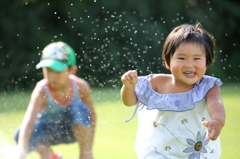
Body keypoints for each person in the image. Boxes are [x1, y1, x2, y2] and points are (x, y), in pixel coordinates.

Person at [120, 23, 225, 159]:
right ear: (167, 61)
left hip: (196, 152)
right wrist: (128, 87)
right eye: (181, 58)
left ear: (207, 62)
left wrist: (217, 121)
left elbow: (216, 104)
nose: (189, 64)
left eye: (197, 58)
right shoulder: (155, 83)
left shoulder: (208, 87)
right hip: (157, 151)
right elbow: (129, 102)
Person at [14, 41, 96, 159]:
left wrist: (88, 149)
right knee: (20, 134)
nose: (52, 76)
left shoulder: (81, 87)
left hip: (72, 130)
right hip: (47, 133)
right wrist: (21, 150)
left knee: (79, 108)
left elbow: (91, 115)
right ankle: (49, 155)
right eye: (48, 70)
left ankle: (84, 155)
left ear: (72, 70)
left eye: (57, 71)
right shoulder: (41, 92)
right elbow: (29, 121)